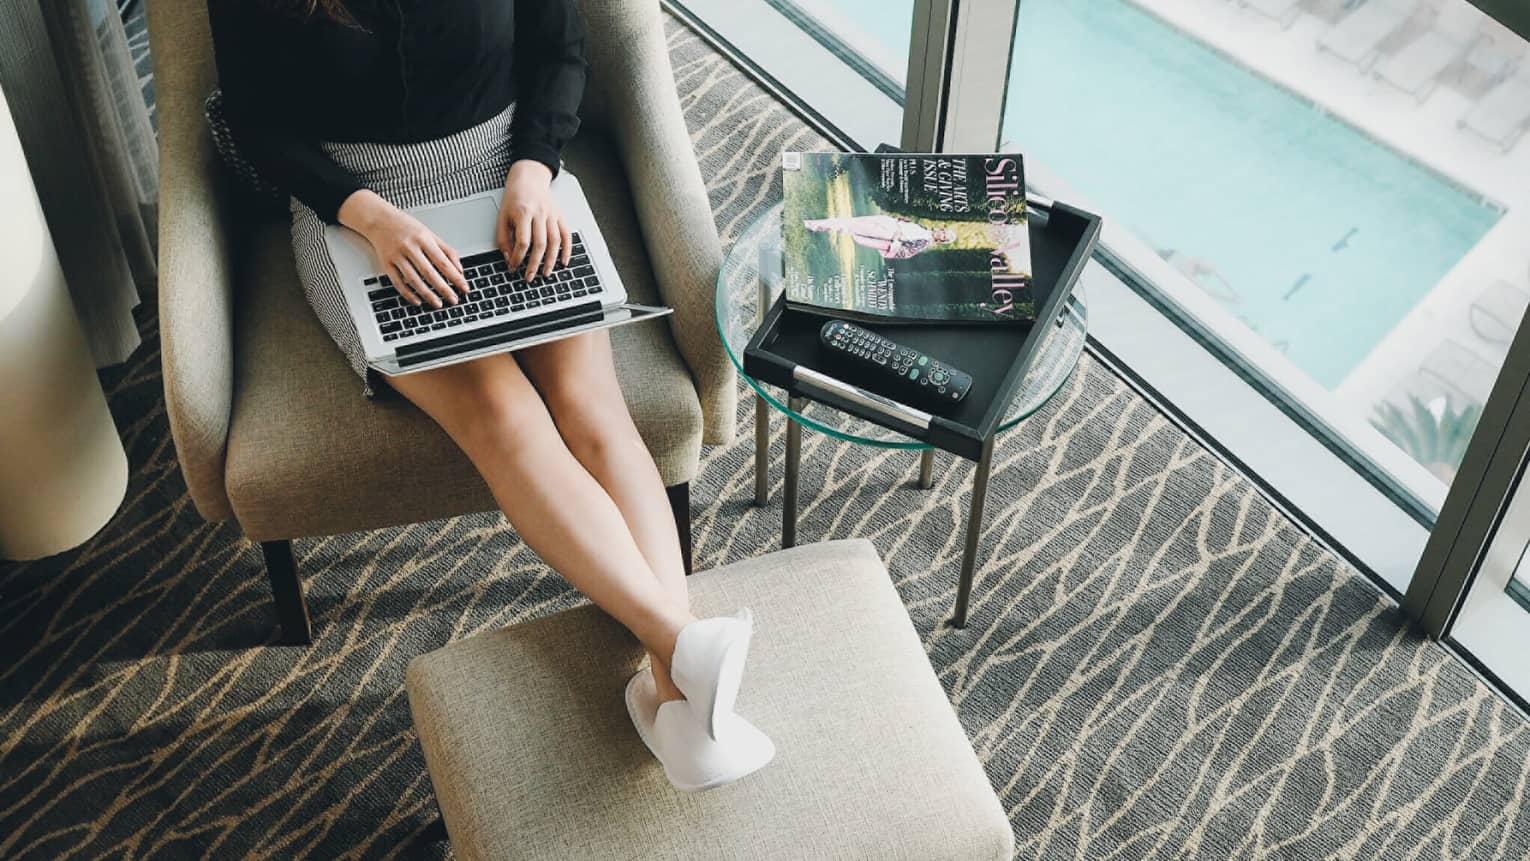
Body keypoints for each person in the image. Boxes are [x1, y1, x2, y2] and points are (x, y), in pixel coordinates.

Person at [207, 0, 772, 791]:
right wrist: (370, 218)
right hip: (362, 210)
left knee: (595, 412)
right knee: (504, 417)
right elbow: (256, 122)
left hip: (509, 175)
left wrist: (534, 170)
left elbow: (559, 44)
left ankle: (677, 683)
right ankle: (681, 653)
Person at [804, 214, 955, 259]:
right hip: (888, 222)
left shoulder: (924, 242)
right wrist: (900, 220)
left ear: (941, 240)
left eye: (943, 235)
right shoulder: (925, 229)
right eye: (943, 230)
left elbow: (905, 253)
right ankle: (817, 226)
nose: (941, 232)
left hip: (888, 232)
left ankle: (811, 224)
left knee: (850, 226)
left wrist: (896, 237)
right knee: (851, 222)